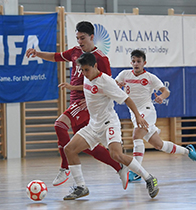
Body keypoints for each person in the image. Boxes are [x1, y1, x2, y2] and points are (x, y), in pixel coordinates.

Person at [26, 21, 129, 189]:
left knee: (60, 125)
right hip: (74, 101)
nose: (80, 41)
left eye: (83, 38)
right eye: (77, 38)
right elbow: (55, 56)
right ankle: (119, 166)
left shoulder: (101, 58)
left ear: (92, 37)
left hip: (87, 103)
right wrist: (37, 53)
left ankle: (65, 168)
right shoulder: (75, 52)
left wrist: (82, 91)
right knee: (88, 147)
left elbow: (107, 85)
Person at [63, 52, 159, 200]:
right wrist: (72, 87)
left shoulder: (107, 82)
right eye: (82, 70)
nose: (84, 73)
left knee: (117, 155)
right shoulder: (87, 76)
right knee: (69, 149)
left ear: (95, 66)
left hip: (109, 124)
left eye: (87, 70)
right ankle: (81, 187)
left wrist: (138, 116)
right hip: (93, 125)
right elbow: (88, 86)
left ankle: (149, 178)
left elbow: (127, 99)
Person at [115, 49, 196, 182]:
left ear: (144, 63)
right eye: (134, 61)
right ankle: (188, 151)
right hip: (134, 113)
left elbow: (166, 91)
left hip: (147, 110)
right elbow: (113, 87)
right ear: (131, 62)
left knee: (136, 135)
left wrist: (161, 97)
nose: (136, 64)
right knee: (159, 145)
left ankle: (136, 171)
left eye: (139, 61)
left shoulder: (150, 77)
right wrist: (118, 85)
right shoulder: (124, 74)